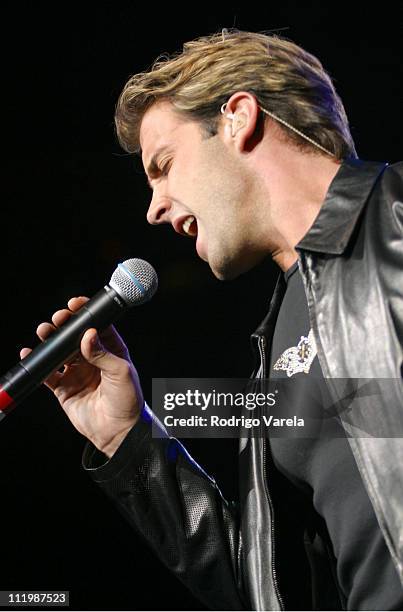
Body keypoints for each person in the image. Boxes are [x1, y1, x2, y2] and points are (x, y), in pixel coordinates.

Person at [21, 30, 402, 610]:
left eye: (163, 165)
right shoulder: (268, 358)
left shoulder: (396, 217)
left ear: (238, 118)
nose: (154, 208)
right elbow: (268, 587)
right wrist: (127, 437)